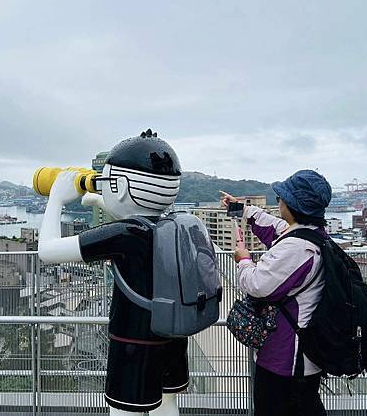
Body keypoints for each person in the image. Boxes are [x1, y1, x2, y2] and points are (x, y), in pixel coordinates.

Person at [38, 130, 188, 416]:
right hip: (173, 331)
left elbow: (47, 250)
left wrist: (56, 197)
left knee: (125, 409)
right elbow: (139, 216)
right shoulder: (173, 224)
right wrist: (98, 201)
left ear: (118, 187)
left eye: (105, 182)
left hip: (134, 340)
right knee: (167, 402)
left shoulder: (124, 234)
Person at [221, 169, 332, 416]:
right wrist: (242, 209)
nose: (278, 201)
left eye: (282, 198)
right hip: (300, 356)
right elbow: (273, 227)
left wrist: (243, 260)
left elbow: (257, 285)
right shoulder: (311, 234)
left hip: (287, 359)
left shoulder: (298, 248)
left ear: (293, 205)